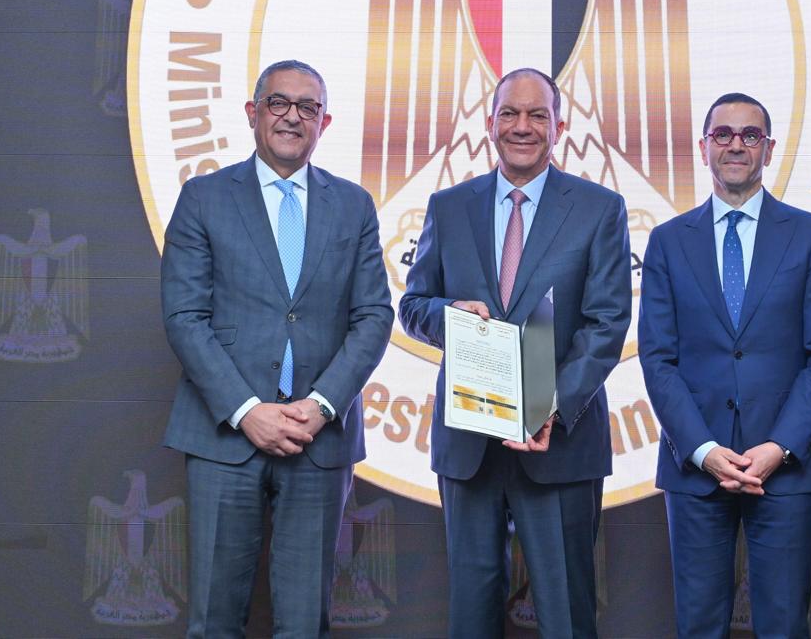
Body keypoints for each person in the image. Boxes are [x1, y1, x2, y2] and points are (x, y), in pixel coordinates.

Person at [161, 59, 393, 637]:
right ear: (253, 112)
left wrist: (321, 405)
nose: (293, 117)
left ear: (325, 122)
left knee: (305, 623)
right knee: (214, 620)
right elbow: (185, 317)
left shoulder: (354, 205)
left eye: (308, 107)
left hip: (319, 440)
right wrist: (246, 411)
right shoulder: (203, 198)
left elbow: (373, 316)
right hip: (223, 439)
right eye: (279, 103)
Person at [399, 68, 631, 638]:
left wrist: (549, 406)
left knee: (567, 613)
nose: (521, 126)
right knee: (470, 615)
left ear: (560, 127)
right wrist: (450, 314)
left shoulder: (600, 208)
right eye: (509, 113)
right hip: (468, 445)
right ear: (490, 123)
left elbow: (606, 323)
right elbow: (413, 306)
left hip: (558, 443)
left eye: (536, 115)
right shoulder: (449, 206)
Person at [639, 93, 811, 639]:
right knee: (699, 626)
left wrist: (779, 447)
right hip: (695, 468)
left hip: (785, 468)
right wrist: (702, 450)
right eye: (723, 134)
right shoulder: (667, 242)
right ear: (703, 147)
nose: (736, 145)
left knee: (784, 625)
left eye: (750, 135)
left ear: (769, 149)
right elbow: (657, 358)